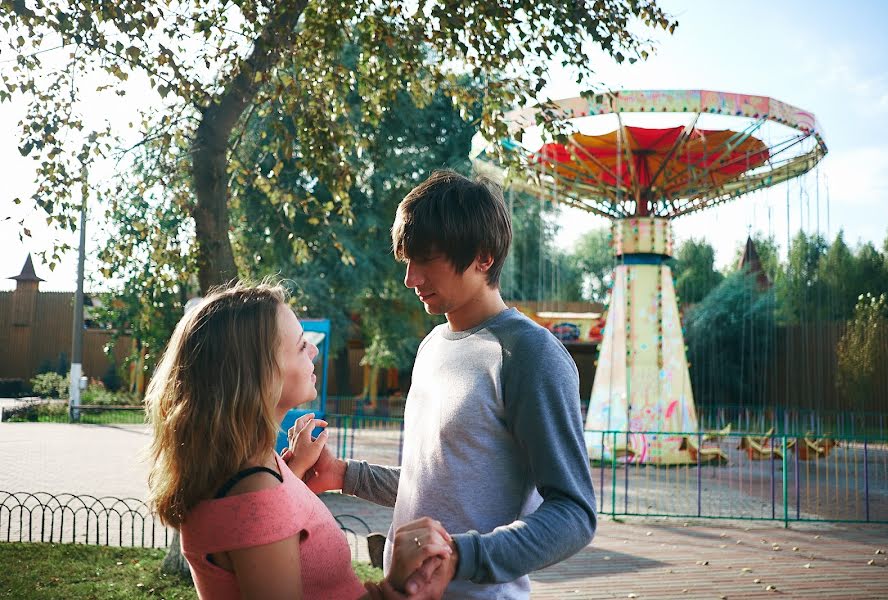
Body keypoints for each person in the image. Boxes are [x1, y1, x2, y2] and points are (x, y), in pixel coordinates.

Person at [304, 170, 598, 598]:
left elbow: (574, 512)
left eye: (425, 259)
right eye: (407, 260)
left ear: (483, 257)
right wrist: (345, 475)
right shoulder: (431, 347)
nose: (411, 279)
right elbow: (438, 482)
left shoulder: (530, 355)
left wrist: (462, 556)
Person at [145, 282, 453, 600]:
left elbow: (271, 530)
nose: (315, 351)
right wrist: (395, 589)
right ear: (262, 373)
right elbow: (258, 517)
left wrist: (296, 474)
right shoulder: (253, 489)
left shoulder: (254, 469)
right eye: (301, 345)